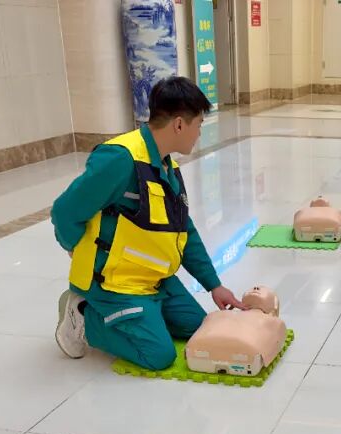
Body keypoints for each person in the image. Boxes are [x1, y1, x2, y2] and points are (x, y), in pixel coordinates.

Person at [51, 77, 243, 368]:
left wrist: (214, 285)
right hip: (115, 283)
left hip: (153, 279)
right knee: (159, 355)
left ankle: (146, 317)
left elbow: (185, 231)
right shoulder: (120, 159)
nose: (199, 133)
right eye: (199, 125)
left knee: (199, 328)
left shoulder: (168, 166)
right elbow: (64, 211)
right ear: (179, 125)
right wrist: (75, 247)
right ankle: (82, 316)